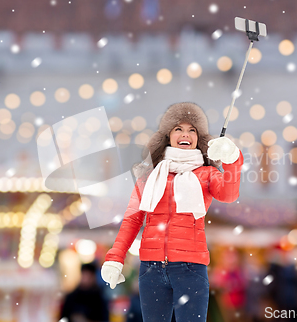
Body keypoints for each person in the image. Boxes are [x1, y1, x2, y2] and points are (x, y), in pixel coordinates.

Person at [100, 102, 244, 322]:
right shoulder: (149, 176)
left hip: (191, 269)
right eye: (179, 129)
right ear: (168, 136)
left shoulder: (206, 174)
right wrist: (115, 258)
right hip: (150, 270)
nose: (185, 134)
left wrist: (232, 159)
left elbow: (229, 194)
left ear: (198, 138)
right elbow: (132, 220)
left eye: (192, 130)